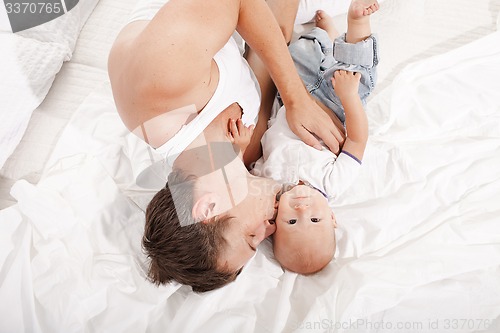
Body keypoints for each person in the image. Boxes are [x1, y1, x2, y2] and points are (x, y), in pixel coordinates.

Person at [108, 0, 346, 292]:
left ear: (207, 208)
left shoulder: (160, 88)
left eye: (251, 237)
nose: (269, 230)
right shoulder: (237, 150)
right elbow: (274, 38)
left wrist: (297, 98)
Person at [235, 1, 380, 274]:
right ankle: (356, 21)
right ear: (332, 217)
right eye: (315, 219)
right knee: (358, 74)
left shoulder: (269, 183)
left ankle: (326, 34)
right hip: (335, 103)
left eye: (292, 222)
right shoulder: (332, 183)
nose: (303, 210)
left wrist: (240, 145)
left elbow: (241, 169)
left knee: (299, 51)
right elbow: (358, 141)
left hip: (291, 94)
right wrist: (348, 99)